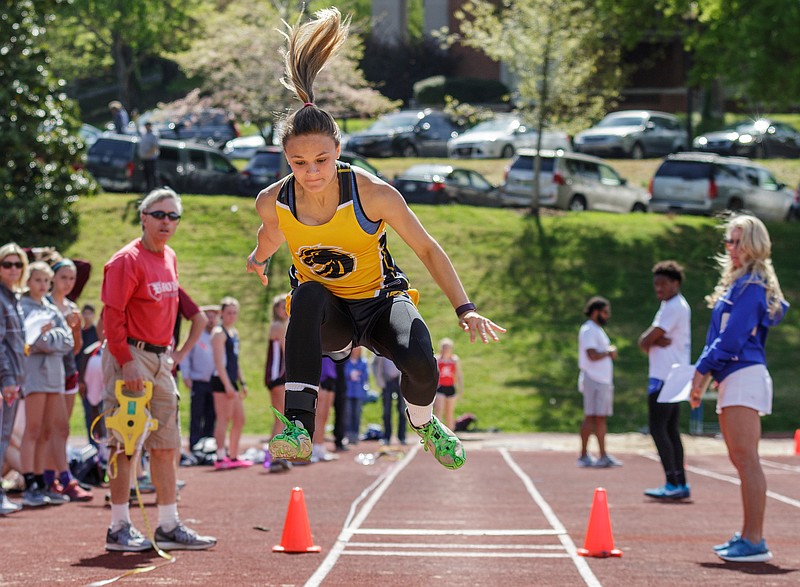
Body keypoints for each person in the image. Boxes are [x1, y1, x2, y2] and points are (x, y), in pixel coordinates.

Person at [246, 7, 505, 470]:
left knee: (422, 363)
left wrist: (465, 308)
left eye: (321, 161)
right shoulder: (274, 201)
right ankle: (298, 426)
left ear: (338, 152)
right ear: (286, 159)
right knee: (304, 296)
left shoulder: (372, 193)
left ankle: (425, 423)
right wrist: (258, 259)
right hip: (331, 316)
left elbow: (426, 248)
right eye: (299, 163)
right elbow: (270, 237)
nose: (311, 173)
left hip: (382, 301)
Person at [101, 187, 215, 551]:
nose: (166, 221)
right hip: (130, 356)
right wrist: (126, 360)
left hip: (160, 359)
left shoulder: (169, 257)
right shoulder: (125, 261)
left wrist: (175, 354)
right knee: (125, 442)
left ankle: (168, 524)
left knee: (166, 444)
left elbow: (190, 313)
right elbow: (112, 316)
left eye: (173, 216)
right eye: (159, 214)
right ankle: (118, 526)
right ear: (143, 217)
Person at [689, 215, 788, 563]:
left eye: (736, 241)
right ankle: (748, 535)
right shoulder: (745, 283)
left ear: (753, 245)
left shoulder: (751, 286)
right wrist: (704, 372)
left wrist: (701, 372)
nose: (730, 248)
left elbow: (730, 339)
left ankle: (755, 539)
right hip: (737, 376)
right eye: (729, 241)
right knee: (741, 459)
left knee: (747, 460)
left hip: (744, 374)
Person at [19, 262, 73, 507]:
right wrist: (51, 338)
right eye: (37, 280)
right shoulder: (23, 307)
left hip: (55, 376)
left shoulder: (52, 308)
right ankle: (29, 482)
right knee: (33, 429)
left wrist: (51, 336)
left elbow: (68, 340)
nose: (42, 285)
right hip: (35, 377)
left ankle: (42, 481)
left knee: (48, 431)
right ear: (28, 282)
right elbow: (36, 339)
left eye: (45, 281)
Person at [638, 261, 691, 500]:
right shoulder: (672, 304)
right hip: (673, 374)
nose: (658, 288)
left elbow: (644, 341)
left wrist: (651, 341)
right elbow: (651, 341)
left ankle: (672, 481)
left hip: (664, 376)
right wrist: (654, 341)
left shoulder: (673, 306)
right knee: (670, 430)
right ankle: (679, 481)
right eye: (655, 284)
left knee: (659, 429)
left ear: (675, 283)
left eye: (663, 284)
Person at [577, 296, 622, 468]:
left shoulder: (596, 329)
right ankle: (585, 455)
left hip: (601, 380)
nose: (607, 316)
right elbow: (592, 354)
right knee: (592, 416)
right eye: (605, 312)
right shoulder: (589, 329)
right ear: (596, 312)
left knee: (600, 417)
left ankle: (602, 455)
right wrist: (609, 352)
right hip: (594, 378)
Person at [0, 243, 28, 515]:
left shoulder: (13, 297)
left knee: (5, 436)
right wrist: (7, 378)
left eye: (17, 264)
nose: (12, 269)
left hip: (15, 378)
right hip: (5, 380)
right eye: (6, 264)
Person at [210, 297, 251, 470]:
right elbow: (219, 363)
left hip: (232, 380)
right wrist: (227, 384)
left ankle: (233, 455)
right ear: (222, 313)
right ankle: (220, 456)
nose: (232, 316)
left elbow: (235, 361)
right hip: (221, 381)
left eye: (235, 312)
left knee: (240, 419)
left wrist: (242, 382)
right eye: (229, 312)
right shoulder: (219, 333)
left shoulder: (234, 333)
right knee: (223, 418)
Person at [180, 305, 219, 452]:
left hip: (214, 382)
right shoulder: (197, 335)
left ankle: (208, 446)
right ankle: (195, 445)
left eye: (213, 316)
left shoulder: (218, 335)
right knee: (196, 415)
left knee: (212, 415)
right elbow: (186, 357)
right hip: (198, 381)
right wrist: (186, 375)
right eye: (208, 316)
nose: (211, 319)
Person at [264, 294, 291, 472]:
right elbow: (286, 350)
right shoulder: (278, 326)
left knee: (281, 417)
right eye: (282, 307)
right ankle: (274, 457)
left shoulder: (282, 326)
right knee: (280, 417)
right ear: (275, 309)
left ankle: (276, 455)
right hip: (277, 377)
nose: (285, 310)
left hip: (277, 376)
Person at [373, 355, 405, 446]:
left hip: (400, 381)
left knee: (402, 410)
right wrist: (378, 379)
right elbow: (374, 364)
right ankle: (387, 436)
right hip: (386, 381)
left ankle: (402, 436)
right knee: (386, 411)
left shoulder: (401, 345)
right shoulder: (380, 346)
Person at [434, 338, 462, 432]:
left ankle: (451, 434)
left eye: (448, 347)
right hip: (440, 387)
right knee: (439, 411)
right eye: (444, 347)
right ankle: (438, 433)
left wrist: (460, 389)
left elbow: (458, 375)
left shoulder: (454, 360)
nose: (446, 349)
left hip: (450, 387)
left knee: (449, 413)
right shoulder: (437, 359)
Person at [344, 347, 369, 445]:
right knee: (348, 414)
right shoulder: (346, 361)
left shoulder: (363, 362)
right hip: (348, 392)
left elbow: (365, 376)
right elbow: (345, 374)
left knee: (357, 414)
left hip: (358, 393)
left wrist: (357, 374)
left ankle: (355, 434)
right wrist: (351, 374)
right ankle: (348, 435)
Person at [139, 121, 160, 193]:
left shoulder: (154, 135)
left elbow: (155, 147)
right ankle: (148, 190)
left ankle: (155, 190)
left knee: (153, 175)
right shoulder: (144, 134)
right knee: (146, 175)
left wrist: (148, 154)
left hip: (151, 158)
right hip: (145, 158)